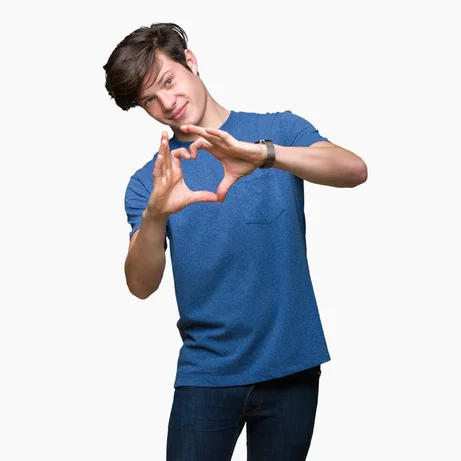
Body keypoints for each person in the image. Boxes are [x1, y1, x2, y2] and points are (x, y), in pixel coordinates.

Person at [103, 22, 368, 461]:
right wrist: (155, 214)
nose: (167, 104)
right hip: (206, 374)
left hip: (291, 369)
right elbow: (140, 285)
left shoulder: (277, 129)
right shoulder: (149, 182)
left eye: (168, 81)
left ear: (190, 61)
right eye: (149, 100)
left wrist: (263, 155)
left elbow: (353, 170)